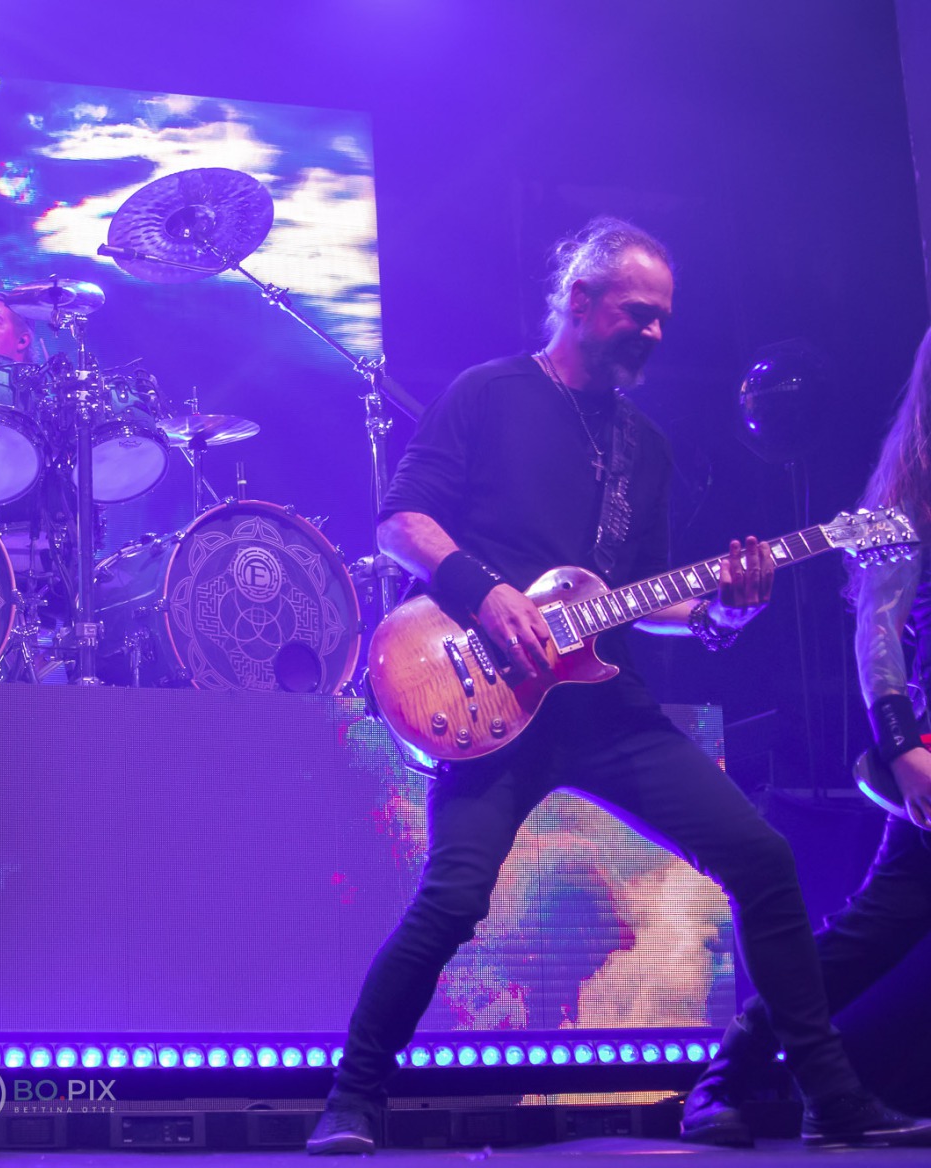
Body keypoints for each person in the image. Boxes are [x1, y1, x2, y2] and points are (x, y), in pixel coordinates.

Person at [306, 217, 931, 1154]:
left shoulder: (647, 447)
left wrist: (722, 613)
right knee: (453, 899)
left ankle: (828, 1098)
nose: (655, 332)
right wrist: (489, 594)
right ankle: (351, 1101)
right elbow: (401, 524)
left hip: (607, 710)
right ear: (580, 299)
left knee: (761, 860)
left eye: (664, 318)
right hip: (490, 697)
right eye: (639, 313)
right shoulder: (489, 394)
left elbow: (638, 599)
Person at [681, 325, 931, 1145]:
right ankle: (736, 1073)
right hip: (927, 749)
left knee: (880, 925)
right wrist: (904, 748)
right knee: (876, 928)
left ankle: (744, 1074)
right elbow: (877, 635)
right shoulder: (906, 506)